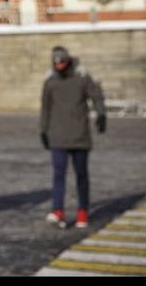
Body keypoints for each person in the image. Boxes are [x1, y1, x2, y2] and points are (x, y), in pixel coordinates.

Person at [39, 44, 106, 229]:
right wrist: (43, 130)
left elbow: (96, 96)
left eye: (62, 63)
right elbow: (45, 108)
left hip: (79, 136)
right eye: (56, 63)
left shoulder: (82, 78)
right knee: (58, 174)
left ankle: (82, 212)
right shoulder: (50, 82)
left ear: (68, 61)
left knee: (81, 175)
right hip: (57, 136)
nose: (59, 66)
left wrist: (101, 114)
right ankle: (58, 210)